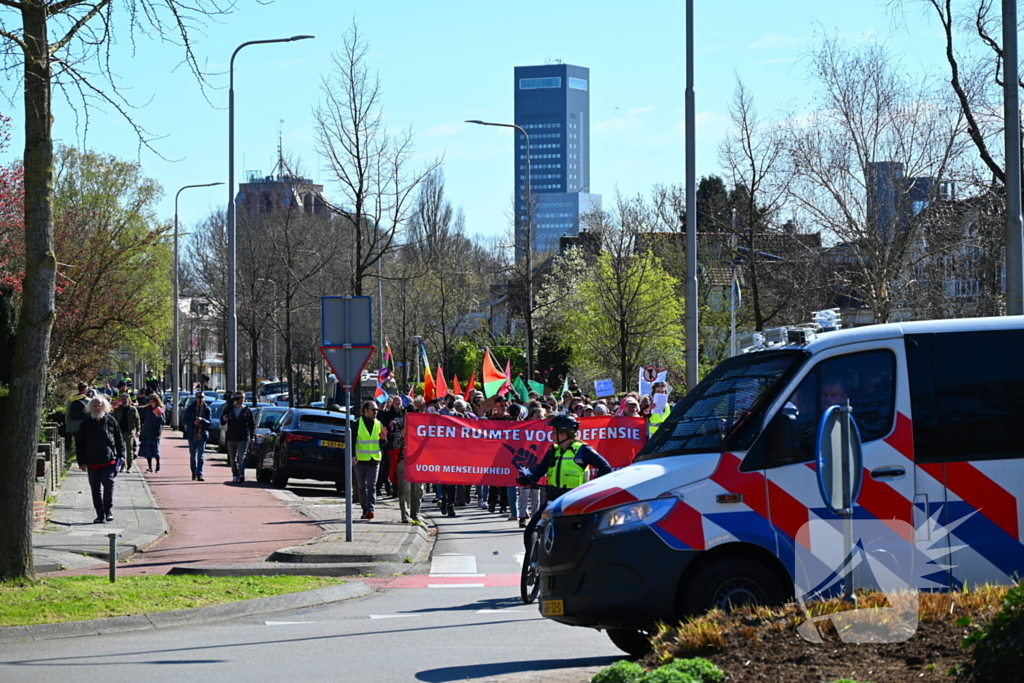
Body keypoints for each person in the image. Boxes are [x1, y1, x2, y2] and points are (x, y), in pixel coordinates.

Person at [517, 414, 613, 549]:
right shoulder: (553, 450)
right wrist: (529, 478)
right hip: (553, 498)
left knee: (570, 537)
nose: (551, 435)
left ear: (563, 433)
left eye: (553, 432)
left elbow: (605, 467)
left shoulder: (582, 450)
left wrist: (592, 488)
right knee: (530, 531)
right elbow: (540, 469)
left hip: (574, 499)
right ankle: (535, 562)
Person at [77, 394, 125, 523]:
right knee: (95, 488)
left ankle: (108, 510)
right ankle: (99, 514)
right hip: (92, 461)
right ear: (90, 408)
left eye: (100, 405)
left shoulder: (111, 421)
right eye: (95, 406)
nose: (97, 408)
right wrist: (81, 461)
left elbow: (119, 439)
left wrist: (122, 456)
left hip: (108, 459)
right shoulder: (86, 423)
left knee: (108, 483)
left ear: (105, 407)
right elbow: (80, 443)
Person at [353, 400, 387, 520]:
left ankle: (370, 509)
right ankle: (365, 510)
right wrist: (353, 455)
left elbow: (383, 444)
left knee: (372, 485)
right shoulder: (356, 423)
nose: (375, 412)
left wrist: (383, 439)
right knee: (362, 486)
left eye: (376, 410)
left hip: (374, 460)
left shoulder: (379, 424)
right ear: (365, 410)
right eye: (373, 409)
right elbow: (351, 441)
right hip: (360, 460)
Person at [221, 391, 256, 483]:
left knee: (242, 457)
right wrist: (224, 419)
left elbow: (252, 425)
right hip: (231, 437)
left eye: (243, 398)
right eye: (240, 397)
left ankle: (241, 474)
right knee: (232, 459)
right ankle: (235, 474)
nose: (242, 399)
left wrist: (252, 436)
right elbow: (222, 421)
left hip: (242, 437)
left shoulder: (247, 410)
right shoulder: (229, 409)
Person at [182, 391, 211, 481]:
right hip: (192, 434)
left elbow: (210, 422)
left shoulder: (207, 409)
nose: (200, 399)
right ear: (195, 398)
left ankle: (200, 474)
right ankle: (194, 473)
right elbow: (185, 420)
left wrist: (202, 420)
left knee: (201, 455)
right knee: (193, 455)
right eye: (198, 397)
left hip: (202, 435)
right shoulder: (191, 408)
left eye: (202, 397)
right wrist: (193, 422)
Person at [112, 391, 140, 472]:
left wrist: (138, 431)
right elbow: (113, 421)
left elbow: (137, 420)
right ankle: (122, 466)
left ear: (129, 400)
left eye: (126, 399)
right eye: (123, 399)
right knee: (121, 450)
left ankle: (129, 467)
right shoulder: (117, 410)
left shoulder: (133, 410)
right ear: (121, 400)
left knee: (129, 450)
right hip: (119, 433)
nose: (124, 401)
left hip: (129, 432)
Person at [138, 393, 165, 472]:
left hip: (155, 433)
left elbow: (163, 422)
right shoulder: (148, 409)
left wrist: (159, 416)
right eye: (149, 399)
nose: (150, 401)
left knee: (155, 450)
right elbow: (139, 409)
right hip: (147, 431)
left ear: (155, 400)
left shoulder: (159, 409)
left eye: (151, 399)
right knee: (147, 451)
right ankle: (150, 467)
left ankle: (158, 466)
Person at [66, 382, 90, 458]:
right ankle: (86, 458)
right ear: (85, 389)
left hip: (73, 425)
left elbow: (67, 414)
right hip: (85, 425)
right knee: (86, 443)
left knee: (77, 443)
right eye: (87, 388)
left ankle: (79, 458)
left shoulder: (71, 400)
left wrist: (68, 425)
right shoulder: (88, 400)